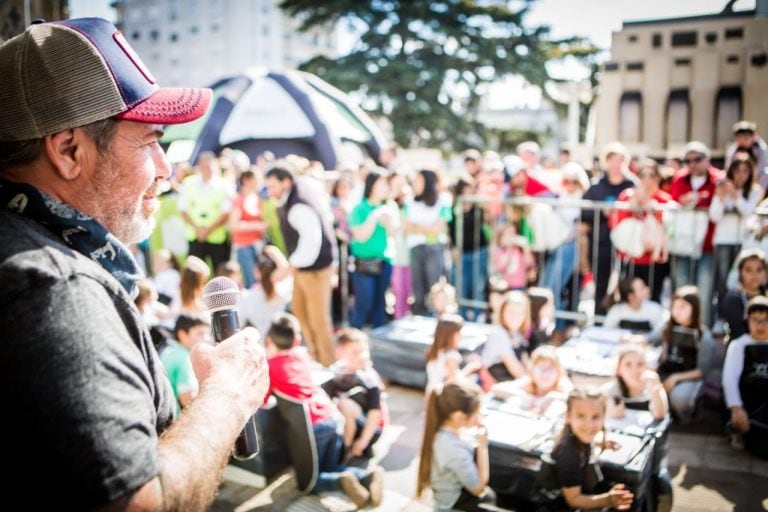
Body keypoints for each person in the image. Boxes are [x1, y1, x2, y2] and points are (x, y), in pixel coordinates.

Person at [0, 18, 269, 509]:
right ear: (68, 150)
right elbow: (141, 502)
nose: (166, 169)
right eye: (149, 141)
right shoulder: (55, 288)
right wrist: (228, 396)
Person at [265, 313, 384, 507]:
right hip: (334, 417)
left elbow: (262, 398)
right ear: (297, 340)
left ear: (269, 341)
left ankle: (341, 482)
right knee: (332, 467)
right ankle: (367, 476)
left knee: (307, 484)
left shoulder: (270, 366)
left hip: (312, 425)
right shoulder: (301, 355)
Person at [265, 165, 337, 366]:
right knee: (299, 310)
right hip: (307, 268)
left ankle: (328, 363)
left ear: (285, 182)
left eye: (272, 186)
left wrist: (287, 269)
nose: (270, 192)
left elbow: (310, 243)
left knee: (318, 319)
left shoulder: (298, 206)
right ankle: (315, 356)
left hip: (316, 268)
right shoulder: (299, 192)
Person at [538, 389, 634, 511]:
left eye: (595, 417)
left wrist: (599, 443)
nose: (589, 425)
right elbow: (573, 500)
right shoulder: (568, 454)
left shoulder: (578, 438)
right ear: (568, 416)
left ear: (603, 417)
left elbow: (585, 439)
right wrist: (608, 500)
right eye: (581, 416)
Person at [417, 380, 495, 512]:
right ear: (459, 416)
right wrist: (483, 446)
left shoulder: (446, 430)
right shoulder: (452, 448)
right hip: (453, 505)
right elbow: (478, 488)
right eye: (477, 412)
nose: (480, 416)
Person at [669, 141, 724, 326]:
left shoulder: (718, 179)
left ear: (707, 159)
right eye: (688, 160)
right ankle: (680, 327)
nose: (692, 164)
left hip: (707, 244)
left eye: (697, 159)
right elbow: (675, 203)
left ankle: (703, 329)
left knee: (705, 288)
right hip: (682, 244)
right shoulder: (679, 179)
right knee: (682, 287)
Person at [322, 328, 389, 459]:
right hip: (347, 422)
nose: (361, 356)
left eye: (364, 351)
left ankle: (343, 451)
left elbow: (374, 413)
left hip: (370, 429)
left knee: (344, 404)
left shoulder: (369, 377)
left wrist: (364, 440)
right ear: (339, 353)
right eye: (354, 353)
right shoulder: (336, 372)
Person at [655, 286, 716, 424]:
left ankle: (688, 416)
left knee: (680, 398)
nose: (677, 311)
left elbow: (702, 371)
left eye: (682, 307)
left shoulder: (704, 337)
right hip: (666, 372)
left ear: (694, 309)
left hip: (688, 378)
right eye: (674, 307)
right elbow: (651, 339)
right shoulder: (667, 328)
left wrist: (675, 378)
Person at [348, 169, 396, 328]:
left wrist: (388, 221)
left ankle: (379, 343)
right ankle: (352, 337)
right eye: (383, 183)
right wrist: (374, 217)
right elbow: (360, 236)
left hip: (384, 261)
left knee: (380, 305)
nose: (386, 187)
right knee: (364, 304)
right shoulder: (359, 208)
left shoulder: (390, 207)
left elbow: (393, 233)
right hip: (364, 264)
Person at [722, 296, 768, 458]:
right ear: (747, 320)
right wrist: (736, 407)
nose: (760, 325)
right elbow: (730, 379)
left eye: (765, 321)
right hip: (747, 403)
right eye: (756, 320)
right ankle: (737, 429)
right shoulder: (738, 345)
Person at [405, 169, 452, 315]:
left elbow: (437, 228)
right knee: (417, 288)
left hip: (434, 248)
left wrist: (417, 227)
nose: (415, 183)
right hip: (415, 248)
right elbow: (406, 227)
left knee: (435, 287)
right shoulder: (409, 201)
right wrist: (427, 228)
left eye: (419, 180)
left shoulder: (443, 200)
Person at [178, 150, 234, 272]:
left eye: (210, 165)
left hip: (217, 238)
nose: (207, 169)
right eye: (204, 166)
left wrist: (207, 230)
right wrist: (198, 229)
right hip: (195, 236)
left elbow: (226, 212)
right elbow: (183, 210)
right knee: (194, 272)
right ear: (199, 165)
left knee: (220, 271)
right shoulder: (188, 183)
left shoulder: (224, 185)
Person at [492, 345, 573, 416]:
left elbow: (573, 398)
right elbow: (496, 388)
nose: (544, 373)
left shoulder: (562, 384)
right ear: (532, 370)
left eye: (549, 368)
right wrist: (529, 398)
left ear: (558, 371)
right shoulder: (527, 382)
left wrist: (551, 397)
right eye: (540, 368)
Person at [159, 313, 212, 413]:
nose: (207, 338)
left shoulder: (170, 350)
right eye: (200, 333)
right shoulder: (184, 358)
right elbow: (188, 399)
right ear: (182, 334)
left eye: (207, 334)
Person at [603, 344, 668, 422]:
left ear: (647, 367)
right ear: (618, 369)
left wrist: (655, 391)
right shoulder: (610, 391)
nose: (635, 370)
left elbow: (660, 415)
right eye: (628, 364)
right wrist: (610, 413)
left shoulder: (654, 388)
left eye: (640, 364)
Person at [240, 245, 293, 338]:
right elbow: (288, 272)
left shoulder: (246, 297)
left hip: (259, 343)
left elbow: (239, 324)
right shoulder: (282, 292)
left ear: (256, 271)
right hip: (279, 341)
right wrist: (276, 253)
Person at [481, 291, 533, 382]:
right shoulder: (498, 334)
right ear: (502, 312)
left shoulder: (517, 334)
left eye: (520, 313)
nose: (515, 317)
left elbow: (526, 362)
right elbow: (516, 370)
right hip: (494, 384)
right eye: (511, 312)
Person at [718, 249, 768, 343]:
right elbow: (739, 332)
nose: (754, 274)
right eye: (748, 270)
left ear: (766, 273)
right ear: (740, 272)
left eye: (759, 269)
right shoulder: (732, 299)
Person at [230, 170, 268, 289]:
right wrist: (257, 225)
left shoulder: (257, 199)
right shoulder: (238, 199)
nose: (260, 182)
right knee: (250, 282)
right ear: (247, 180)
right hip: (244, 247)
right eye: (257, 179)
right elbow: (234, 225)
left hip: (257, 245)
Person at [425, 314, 481, 392]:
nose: (461, 335)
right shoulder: (450, 356)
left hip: (431, 393)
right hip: (441, 397)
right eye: (459, 332)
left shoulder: (436, 350)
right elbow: (454, 380)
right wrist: (470, 368)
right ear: (450, 335)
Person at [603, 277, 667, 340]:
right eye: (642, 288)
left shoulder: (655, 308)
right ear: (631, 296)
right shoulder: (617, 311)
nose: (647, 289)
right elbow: (607, 330)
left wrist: (645, 339)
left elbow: (660, 332)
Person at [725, 120, 768, 189]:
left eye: (745, 138)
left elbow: (761, 167)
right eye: (739, 138)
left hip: (757, 179)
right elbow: (729, 168)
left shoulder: (761, 149)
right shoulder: (733, 150)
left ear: (753, 136)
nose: (742, 141)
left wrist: (750, 177)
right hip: (738, 178)